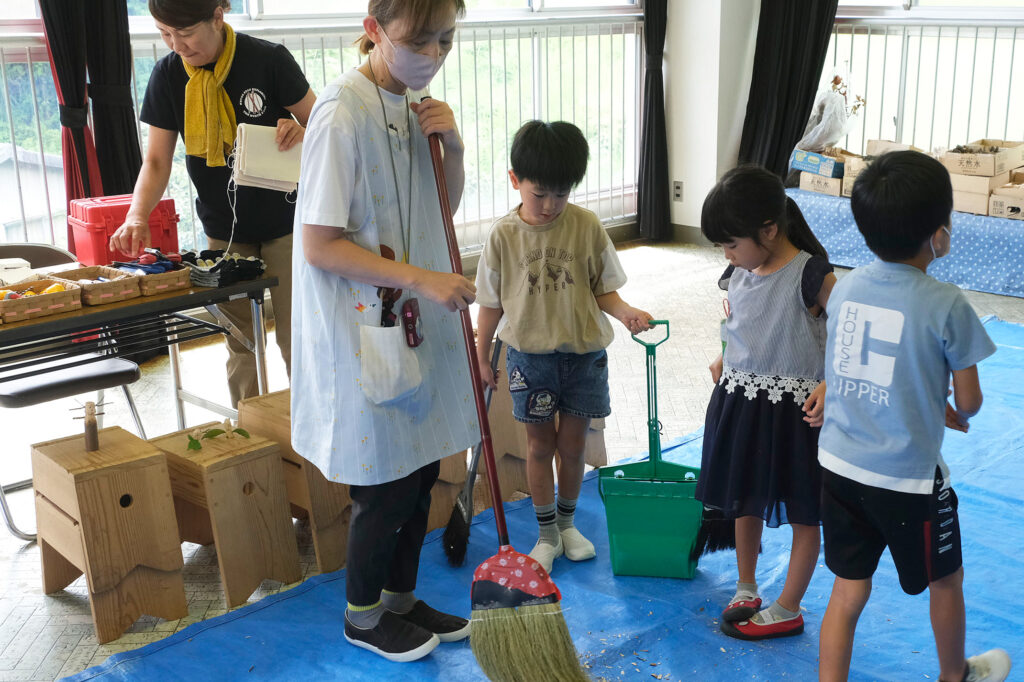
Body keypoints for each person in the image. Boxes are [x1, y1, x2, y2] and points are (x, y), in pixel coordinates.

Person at [290, 0, 478, 664]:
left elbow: (441, 206)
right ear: (374, 30)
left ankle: (401, 599)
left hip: (408, 322)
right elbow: (319, 245)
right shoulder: (343, 112)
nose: (433, 53)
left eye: (446, 40)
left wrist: (451, 147)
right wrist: (422, 280)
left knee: (422, 467)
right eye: (418, 39)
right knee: (384, 481)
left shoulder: (412, 103)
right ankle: (362, 615)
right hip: (363, 326)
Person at [817, 151, 1011, 682]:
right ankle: (955, 675)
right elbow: (970, 403)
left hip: (838, 465)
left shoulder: (847, 287)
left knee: (848, 589)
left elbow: (856, 375)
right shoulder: (947, 303)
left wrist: (925, 397)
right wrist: (947, 402)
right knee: (946, 579)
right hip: (907, 481)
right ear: (940, 235)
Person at [110, 0, 316, 408]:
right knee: (240, 342)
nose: (177, 45)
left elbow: (324, 123)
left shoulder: (267, 59)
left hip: (288, 224)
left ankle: (309, 436)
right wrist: (137, 214)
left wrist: (301, 129)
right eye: (165, 34)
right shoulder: (169, 75)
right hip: (224, 230)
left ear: (218, 18)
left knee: (300, 339)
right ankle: (253, 435)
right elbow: (156, 160)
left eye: (185, 34)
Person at [474, 120, 653, 575]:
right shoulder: (502, 237)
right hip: (529, 360)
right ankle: (547, 533)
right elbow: (490, 306)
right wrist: (479, 355)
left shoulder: (586, 226)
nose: (552, 205)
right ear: (515, 180)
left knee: (573, 445)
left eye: (562, 193)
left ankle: (569, 525)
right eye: (540, 194)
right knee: (539, 446)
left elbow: (602, 289)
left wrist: (626, 311)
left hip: (583, 356)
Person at [695, 165, 836, 641]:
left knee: (803, 511)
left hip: (794, 414)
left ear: (770, 230)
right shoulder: (739, 268)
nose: (728, 255)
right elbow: (743, 323)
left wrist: (830, 382)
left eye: (732, 244)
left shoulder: (812, 273)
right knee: (743, 499)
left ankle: (788, 607)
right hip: (742, 402)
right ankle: (746, 585)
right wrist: (724, 354)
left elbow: (850, 331)